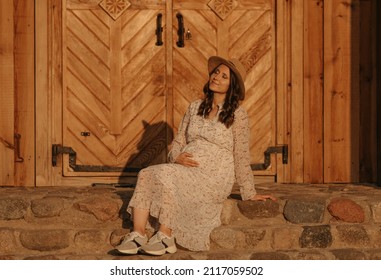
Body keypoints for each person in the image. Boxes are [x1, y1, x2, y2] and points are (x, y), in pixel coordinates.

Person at [116, 56, 276, 256]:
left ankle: (166, 236)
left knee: (167, 177)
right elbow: (179, 141)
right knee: (146, 173)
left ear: (232, 85)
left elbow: (241, 154)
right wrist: (175, 157)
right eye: (216, 72)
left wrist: (249, 192)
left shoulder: (238, 114)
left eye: (224, 76)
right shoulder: (194, 107)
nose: (216, 77)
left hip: (215, 176)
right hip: (187, 169)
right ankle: (138, 234)